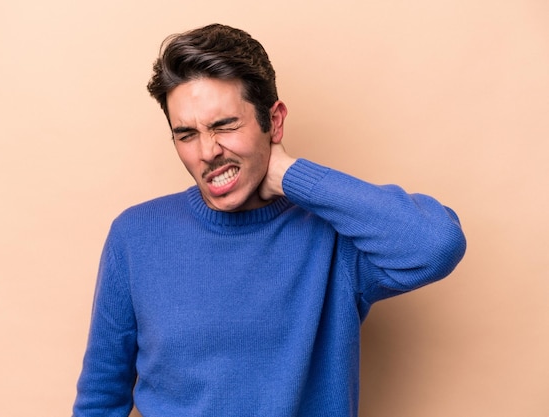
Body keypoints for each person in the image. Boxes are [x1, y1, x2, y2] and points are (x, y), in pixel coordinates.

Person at [72, 23, 466, 417]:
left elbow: (436, 244)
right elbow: (100, 399)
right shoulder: (136, 235)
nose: (207, 151)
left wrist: (290, 176)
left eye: (224, 125)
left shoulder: (334, 237)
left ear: (274, 121)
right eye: (186, 134)